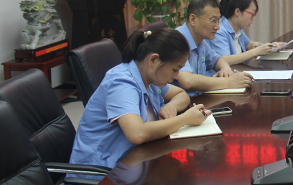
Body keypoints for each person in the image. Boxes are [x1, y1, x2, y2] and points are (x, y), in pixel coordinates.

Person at [69, 28, 209, 169]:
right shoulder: (122, 83)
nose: (177, 76)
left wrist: (170, 107)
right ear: (153, 60)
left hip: (133, 162)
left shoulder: (149, 77)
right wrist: (185, 119)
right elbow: (137, 133)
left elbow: (181, 94)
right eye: (174, 69)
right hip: (102, 171)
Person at [176, 0, 253, 95]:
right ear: (193, 20)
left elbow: (217, 60)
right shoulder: (176, 40)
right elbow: (187, 81)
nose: (217, 27)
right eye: (213, 21)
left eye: (218, 21)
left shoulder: (201, 40)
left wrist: (225, 69)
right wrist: (228, 82)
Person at [212, 0, 286, 65]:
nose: (253, 19)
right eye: (252, 14)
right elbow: (224, 60)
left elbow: (250, 45)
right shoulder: (219, 31)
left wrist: (270, 47)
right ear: (237, 12)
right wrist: (256, 52)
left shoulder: (237, 28)